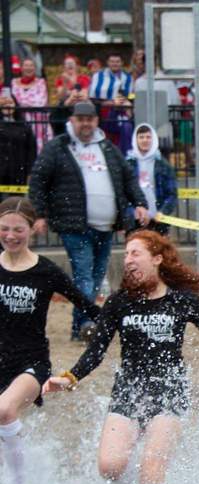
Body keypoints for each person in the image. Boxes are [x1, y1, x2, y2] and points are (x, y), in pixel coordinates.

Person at [44, 231, 199, 484]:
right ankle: (139, 470)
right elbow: (96, 351)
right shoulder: (119, 302)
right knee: (110, 468)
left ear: (156, 259)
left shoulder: (183, 300)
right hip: (129, 389)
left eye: (135, 253)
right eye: (127, 254)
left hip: (169, 389)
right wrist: (70, 377)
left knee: (151, 475)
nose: (128, 260)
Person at [0, 198, 100, 484]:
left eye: (18, 229)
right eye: (4, 229)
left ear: (33, 229)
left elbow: (87, 306)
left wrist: (119, 321)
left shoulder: (46, 271)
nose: (11, 235)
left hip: (31, 363)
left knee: (4, 411)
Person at [28, 100, 149, 341]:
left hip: (105, 225)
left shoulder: (106, 147)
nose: (85, 123)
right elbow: (38, 180)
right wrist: (39, 215)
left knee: (95, 277)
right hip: (73, 224)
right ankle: (86, 322)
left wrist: (140, 203)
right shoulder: (58, 147)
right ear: (71, 120)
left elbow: (127, 177)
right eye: (80, 119)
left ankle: (81, 324)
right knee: (84, 275)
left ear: (96, 120)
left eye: (90, 119)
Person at [125, 123, 178, 235]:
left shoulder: (163, 165)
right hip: (135, 220)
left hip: (158, 221)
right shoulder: (127, 164)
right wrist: (132, 213)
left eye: (148, 137)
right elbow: (123, 193)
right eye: (141, 137)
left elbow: (172, 194)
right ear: (136, 139)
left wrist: (163, 212)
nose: (145, 140)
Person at [88, 53, 133, 152]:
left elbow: (131, 96)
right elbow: (93, 98)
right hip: (102, 113)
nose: (115, 64)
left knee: (127, 127)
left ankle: (126, 156)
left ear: (121, 63)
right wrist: (112, 103)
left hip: (122, 112)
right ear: (108, 63)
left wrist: (128, 106)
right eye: (112, 61)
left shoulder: (128, 78)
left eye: (117, 62)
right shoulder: (98, 76)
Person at [10, 58, 52, 153]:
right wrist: (25, 104)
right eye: (26, 65)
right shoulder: (13, 82)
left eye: (31, 65)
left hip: (38, 125)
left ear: (35, 68)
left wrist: (21, 104)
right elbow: (12, 101)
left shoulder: (41, 82)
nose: (28, 68)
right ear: (21, 68)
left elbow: (40, 102)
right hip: (19, 123)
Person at [0, 95, 37, 189]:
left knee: (17, 201)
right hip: (1, 171)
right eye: (4, 104)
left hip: (19, 172)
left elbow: (31, 151)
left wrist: (30, 172)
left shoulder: (24, 126)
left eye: (10, 103)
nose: (7, 106)